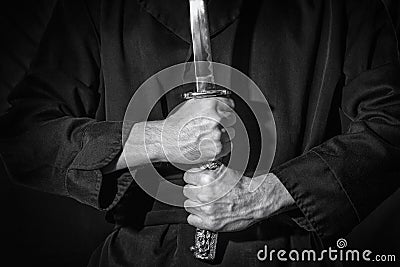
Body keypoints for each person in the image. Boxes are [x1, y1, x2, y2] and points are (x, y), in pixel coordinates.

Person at [0, 0, 399, 266]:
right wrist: (161, 138)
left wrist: (267, 194)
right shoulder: (97, 6)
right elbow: (26, 138)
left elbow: (393, 120)